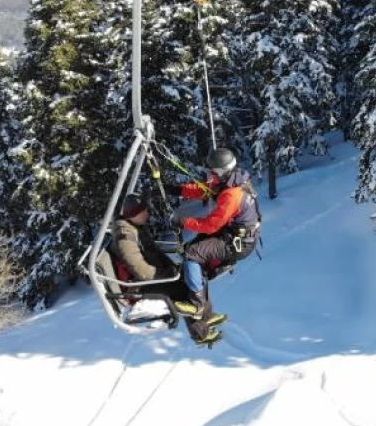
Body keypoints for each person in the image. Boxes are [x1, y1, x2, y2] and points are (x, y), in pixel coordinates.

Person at [110, 194, 223, 345]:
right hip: (139, 286)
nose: (147, 213)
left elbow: (155, 252)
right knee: (184, 289)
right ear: (135, 213)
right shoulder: (125, 236)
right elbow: (140, 270)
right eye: (144, 210)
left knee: (194, 275)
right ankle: (201, 334)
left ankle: (206, 315)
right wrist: (166, 274)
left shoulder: (136, 228)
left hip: (151, 278)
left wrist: (172, 268)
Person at [168, 147, 262, 319]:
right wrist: (179, 190)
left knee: (192, 254)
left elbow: (211, 225)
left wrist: (183, 221)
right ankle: (205, 310)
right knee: (194, 249)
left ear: (223, 171)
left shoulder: (232, 194)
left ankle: (197, 305)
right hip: (233, 235)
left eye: (214, 172)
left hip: (238, 243)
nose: (211, 176)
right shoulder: (233, 180)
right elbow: (206, 189)